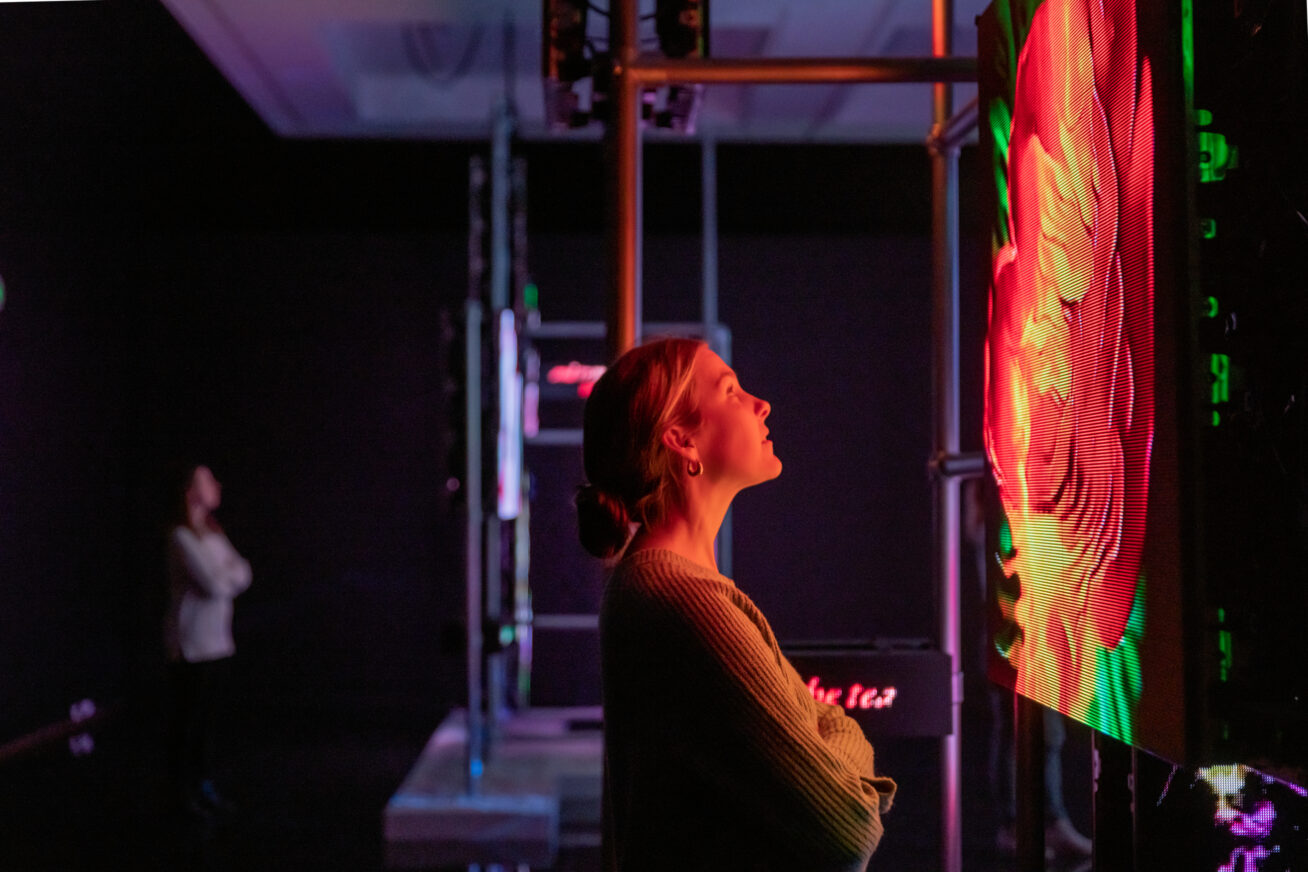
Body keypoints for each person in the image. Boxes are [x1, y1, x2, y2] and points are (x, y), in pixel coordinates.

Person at [576, 337, 896, 872]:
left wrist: (826, 739)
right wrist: (841, 743)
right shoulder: (680, 599)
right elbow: (849, 825)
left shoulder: (669, 585)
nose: (760, 403)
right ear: (681, 440)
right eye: (731, 390)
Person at [163, 463, 252, 819]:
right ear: (190, 492)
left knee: (206, 725)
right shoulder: (181, 537)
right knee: (189, 722)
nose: (216, 484)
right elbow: (216, 584)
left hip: (218, 642)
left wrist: (226, 577)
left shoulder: (213, 534)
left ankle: (203, 786)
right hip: (192, 645)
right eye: (206, 480)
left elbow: (244, 571)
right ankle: (182, 793)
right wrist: (226, 578)